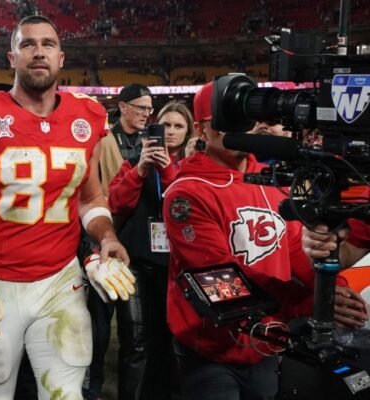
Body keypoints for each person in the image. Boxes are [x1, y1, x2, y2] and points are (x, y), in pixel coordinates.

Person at [0, 15, 130, 399]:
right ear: (12, 58)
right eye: (28, 44)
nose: (39, 52)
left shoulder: (86, 116)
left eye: (48, 44)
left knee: (65, 393)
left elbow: (90, 198)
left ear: (61, 58)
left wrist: (106, 237)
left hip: (60, 282)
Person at [162, 81, 366, 400]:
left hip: (269, 341)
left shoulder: (271, 181)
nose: (239, 129)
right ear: (201, 130)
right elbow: (221, 280)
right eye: (225, 121)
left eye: (243, 118)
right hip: (211, 349)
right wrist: (309, 301)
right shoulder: (186, 193)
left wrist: (330, 291)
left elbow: (294, 249)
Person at [107, 101, 193, 400]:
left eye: (178, 126)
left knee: (173, 342)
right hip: (138, 263)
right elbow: (116, 203)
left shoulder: (193, 167)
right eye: (165, 125)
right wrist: (141, 169)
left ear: (188, 132)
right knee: (136, 341)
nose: (170, 132)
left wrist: (167, 170)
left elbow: (184, 207)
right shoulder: (133, 162)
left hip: (178, 268)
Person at [83, 82, 152, 400]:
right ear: (123, 107)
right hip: (105, 238)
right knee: (98, 318)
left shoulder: (152, 141)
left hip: (137, 242)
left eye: (149, 109)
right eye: (141, 107)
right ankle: (92, 383)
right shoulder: (103, 139)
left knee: (133, 327)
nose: (146, 114)